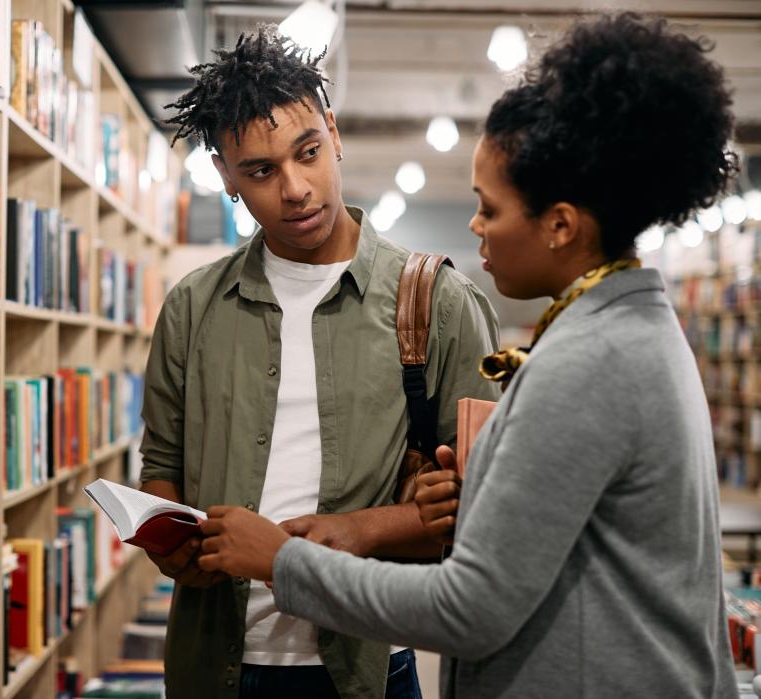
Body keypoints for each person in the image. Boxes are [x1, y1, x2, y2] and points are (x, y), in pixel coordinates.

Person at [197, 12, 740, 698]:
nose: (475, 226)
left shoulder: (593, 359)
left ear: (561, 225)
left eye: (490, 208)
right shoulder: (630, 327)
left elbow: (470, 608)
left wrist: (284, 561)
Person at [138, 25, 500, 699]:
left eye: (308, 153)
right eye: (261, 171)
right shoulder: (192, 307)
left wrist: (356, 531)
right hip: (212, 665)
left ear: (333, 132)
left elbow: (485, 503)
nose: (296, 188)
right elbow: (161, 466)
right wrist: (173, 543)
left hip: (365, 665)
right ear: (225, 176)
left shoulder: (438, 301)